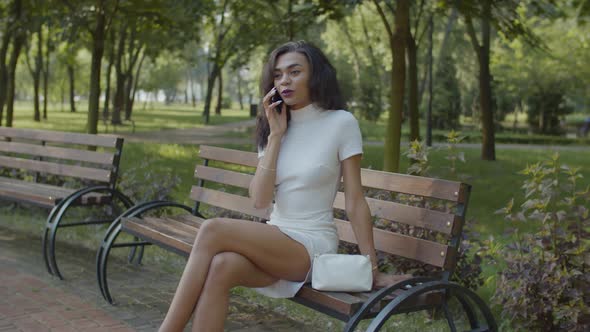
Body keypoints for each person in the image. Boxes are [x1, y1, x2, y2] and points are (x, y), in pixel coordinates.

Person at [159, 40, 397, 332]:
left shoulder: (341, 123)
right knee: (221, 266)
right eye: (278, 74)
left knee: (212, 229)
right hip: (276, 238)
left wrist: (371, 267)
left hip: (311, 245)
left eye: (295, 72)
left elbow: (355, 201)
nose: (285, 80)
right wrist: (275, 137)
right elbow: (259, 200)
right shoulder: (273, 125)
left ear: (316, 75)